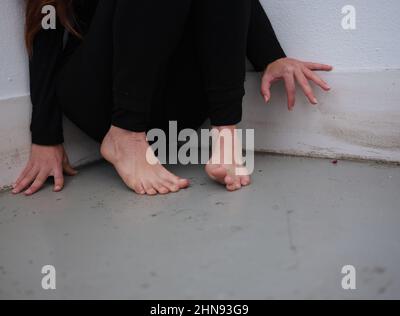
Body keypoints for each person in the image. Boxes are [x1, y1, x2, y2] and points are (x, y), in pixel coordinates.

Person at [13, 0, 332, 196]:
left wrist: (271, 57)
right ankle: (125, 137)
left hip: (178, 106)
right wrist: (45, 136)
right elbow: (45, 29)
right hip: (102, 100)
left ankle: (226, 135)